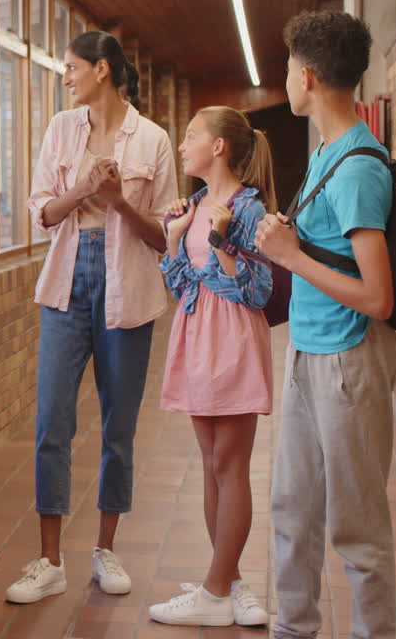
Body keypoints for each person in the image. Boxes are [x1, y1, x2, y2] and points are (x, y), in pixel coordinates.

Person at [7, 31, 177, 605]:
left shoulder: (152, 140)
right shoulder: (62, 129)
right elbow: (41, 213)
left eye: (72, 67)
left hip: (127, 286)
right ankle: (48, 559)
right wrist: (83, 186)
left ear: (102, 70)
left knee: (118, 427)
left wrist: (119, 201)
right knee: (52, 422)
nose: (66, 76)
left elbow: (165, 238)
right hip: (65, 283)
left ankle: (107, 549)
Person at [255, 10, 396, 639]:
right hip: (308, 353)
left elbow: (379, 297)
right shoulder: (326, 153)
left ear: (309, 75)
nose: (286, 79)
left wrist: (290, 257)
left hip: (347, 362)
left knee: (358, 529)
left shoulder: (358, 169)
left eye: (288, 68)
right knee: (293, 510)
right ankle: (295, 626)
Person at [147, 106, 274, 626]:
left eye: (191, 136)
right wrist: (175, 237)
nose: (183, 144)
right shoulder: (192, 205)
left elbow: (256, 289)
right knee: (210, 464)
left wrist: (220, 242)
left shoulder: (248, 207)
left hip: (234, 338)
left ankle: (216, 589)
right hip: (197, 334)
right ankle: (229, 582)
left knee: (230, 463)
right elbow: (180, 287)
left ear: (219, 146)